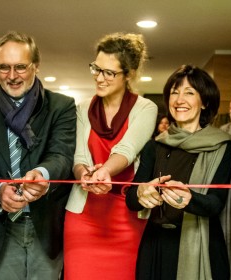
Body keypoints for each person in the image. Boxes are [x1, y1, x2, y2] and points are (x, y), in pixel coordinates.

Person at [0, 31, 76, 279]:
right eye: (4, 67)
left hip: (47, 226)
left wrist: (42, 174)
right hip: (0, 229)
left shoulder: (62, 106)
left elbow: (62, 155)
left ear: (35, 66)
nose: (12, 76)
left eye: (20, 67)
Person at [126, 65, 231, 280]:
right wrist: (142, 193)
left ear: (205, 102)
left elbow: (217, 203)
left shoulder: (222, 146)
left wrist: (190, 199)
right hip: (156, 245)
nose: (179, 100)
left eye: (189, 93)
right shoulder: (155, 146)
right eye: (174, 92)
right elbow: (131, 200)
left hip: (203, 245)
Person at [64, 32, 158, 280]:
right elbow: (79, 157)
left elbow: (127, 149)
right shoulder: (83, 108)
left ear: (129, 74)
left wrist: (104, 171)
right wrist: (84, 174)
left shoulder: (146, 108)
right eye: (96, 68)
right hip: (82, 216)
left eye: (109, 72)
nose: (99, 77)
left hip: (125, 218)